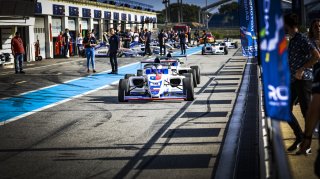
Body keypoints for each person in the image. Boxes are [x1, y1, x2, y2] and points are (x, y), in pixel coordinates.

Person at [284, 14, 320, 153]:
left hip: (304, 80)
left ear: (287, 25)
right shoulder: (293, 40)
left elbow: (316, 56)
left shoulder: (302, 39)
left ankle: (307, 144)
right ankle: (299, 136)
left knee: (306, 113)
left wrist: (302, 69)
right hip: (294, 81)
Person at [296, 18, 320, 155]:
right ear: (312, 29)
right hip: (312, 79)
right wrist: (303, 68)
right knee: (311, 109)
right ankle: (307, 139)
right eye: (315, 26)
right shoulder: (309, 42)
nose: (318, 28)